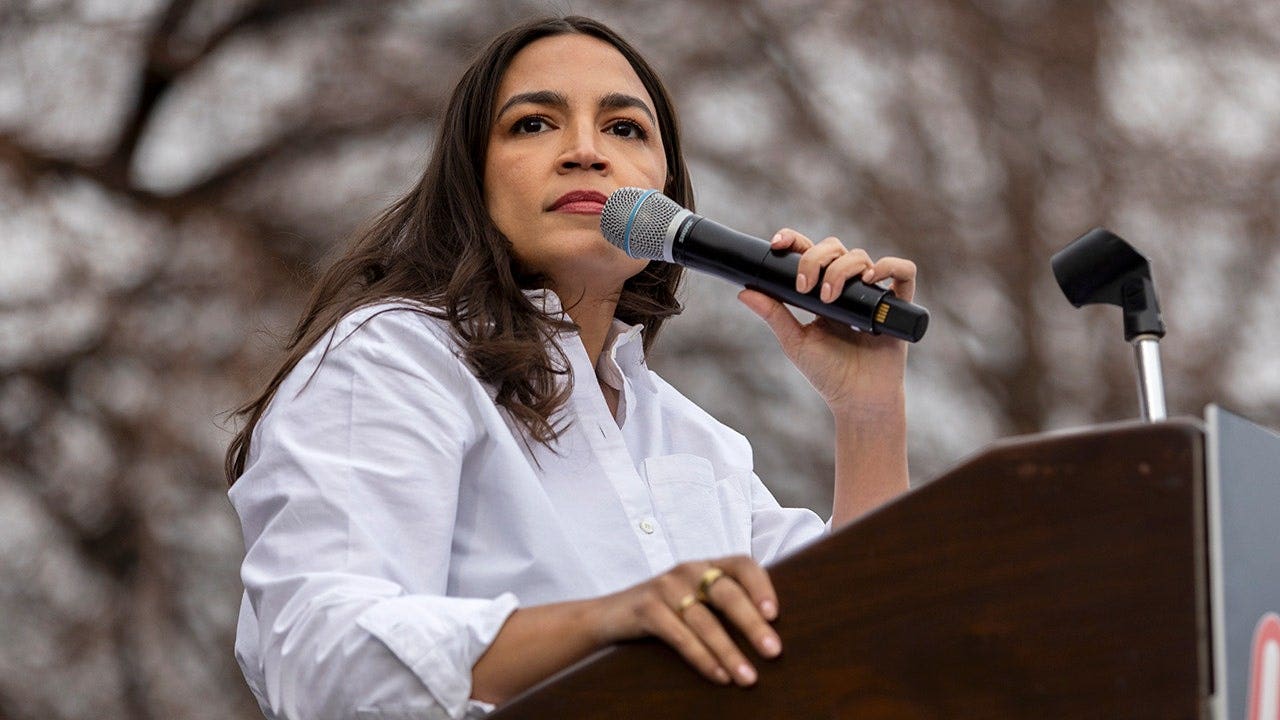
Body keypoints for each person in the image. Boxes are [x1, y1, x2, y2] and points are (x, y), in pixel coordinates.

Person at [225, 14, 916, 720]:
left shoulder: (697, 442)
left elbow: (868, 645)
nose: (586, 151)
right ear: (472, 177)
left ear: (666, 192)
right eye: (533, 124)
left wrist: (869, 413)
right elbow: (320, 657)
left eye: (624, 129)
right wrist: (607, 622)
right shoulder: (389, 359)